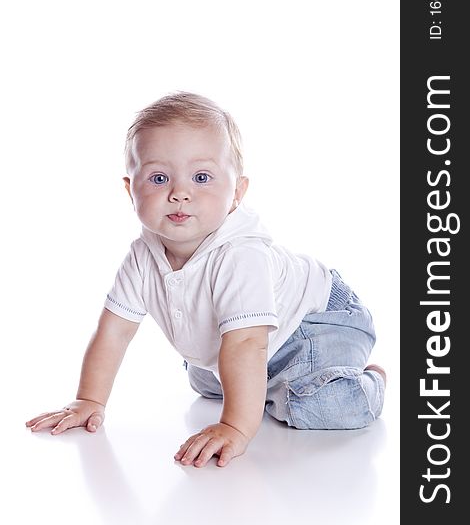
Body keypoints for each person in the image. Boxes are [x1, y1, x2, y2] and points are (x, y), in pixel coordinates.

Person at [26, 92, 386, 468]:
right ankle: (268, 387)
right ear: (130, 189)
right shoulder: (142, 255)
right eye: (159, 177)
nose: (180, 193)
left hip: (317, 323)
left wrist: (235, 426)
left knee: (322, 408)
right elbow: (113, 332)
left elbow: (247, 341)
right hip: (249, 343)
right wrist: (89, 400)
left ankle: (367, 382)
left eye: (201, 177)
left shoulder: (240, 254)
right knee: (207, 381)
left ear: (237, 193)